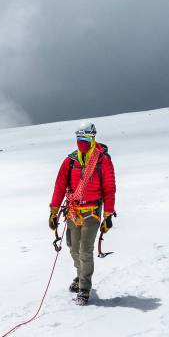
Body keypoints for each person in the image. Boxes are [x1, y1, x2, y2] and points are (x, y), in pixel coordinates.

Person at [48, 122, 117, 305]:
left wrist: (108, 215)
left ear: (93, 138)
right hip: (73, 211)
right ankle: (80, 276)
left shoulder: (103, 161)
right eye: (79, 138)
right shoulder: (70, 161)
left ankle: (84, 288)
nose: (82, 141)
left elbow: (109, 189)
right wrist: (53, 211)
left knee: (85, 251)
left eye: (85, 138)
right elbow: (60, 186)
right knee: (73, 248)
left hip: (92, 212)